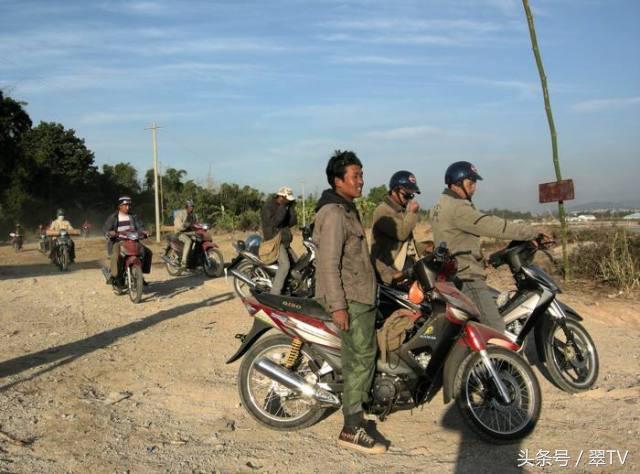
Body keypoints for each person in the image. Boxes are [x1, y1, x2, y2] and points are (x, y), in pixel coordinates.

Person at [313, 150, 386, 454]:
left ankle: (360, 409)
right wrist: (340, 306)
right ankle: (351, 428)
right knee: (358, 359)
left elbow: (358, 259)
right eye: (355, 175)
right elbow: (328, 264)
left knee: (366, 355)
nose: (361, 180)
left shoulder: (347, 210)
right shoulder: (332, 214)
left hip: (362, 295)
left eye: (361, 174)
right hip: (351, 299)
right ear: (338, 180)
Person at [430, 161, 547, 332]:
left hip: (452, 273)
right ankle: (499, 358)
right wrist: (531, 232)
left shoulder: (439, 205)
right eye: (471, 183)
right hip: (467, 277)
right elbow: (492, 225)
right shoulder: (458, 208)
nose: (474, 188)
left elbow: (457, 239)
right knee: (495, 331)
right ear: (456, 184)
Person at [370, 170, 431, 285]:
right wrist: (412, 213)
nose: (409, 199)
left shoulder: (401, 211)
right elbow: (402, 234)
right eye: (406, 195)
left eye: (411, 195)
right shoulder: (382, 211)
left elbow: (406, 244)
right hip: (389, 268)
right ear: (394, 191)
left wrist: (426, 247)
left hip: (403, 263)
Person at [102, 196, 153, 284]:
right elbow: (105, 229)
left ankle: (139, 275)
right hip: (118, 242)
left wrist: (144, 232)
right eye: (125, 205)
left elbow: (140, 227)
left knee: (147, 252)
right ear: (120, 206)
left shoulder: (133, 216)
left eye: (129, 205)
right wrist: (109, 233)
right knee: (116, 257)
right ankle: (115, 277)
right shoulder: (113, 217)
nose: (128, 207)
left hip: (132, 241)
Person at [261, 186, 297, 295]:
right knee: (285, 265)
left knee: (297, 264)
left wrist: (291, 208)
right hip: (274, 241)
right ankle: (275, 293)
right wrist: (283, 207)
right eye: (287, 199)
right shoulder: (268, 206)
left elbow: (292, 222)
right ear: (281, 196)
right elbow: (276, 222)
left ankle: (289, 288)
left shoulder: (284, 206)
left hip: (284, 241)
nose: (288, 201)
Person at [174, 199, 198, 270]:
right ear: (186, 206)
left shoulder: (193, 215)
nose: (192, 208)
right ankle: (183, 263)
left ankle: (193, 260)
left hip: (188, 233)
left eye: (193, 206)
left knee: (198, 239)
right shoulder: (181, 213)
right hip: (180, 233)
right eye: (190, 206)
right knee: (188, 241)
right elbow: (178, 225)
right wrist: (186, 225)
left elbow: (195, 224)